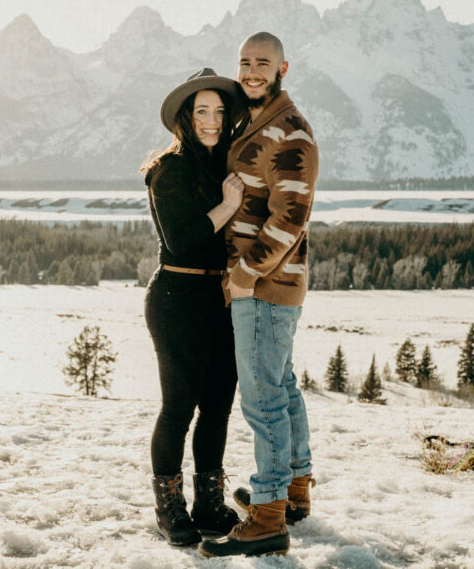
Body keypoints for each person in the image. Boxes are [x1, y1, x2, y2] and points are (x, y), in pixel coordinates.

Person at [200, 32, 319, 558]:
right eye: (245, 62)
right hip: (273, 285)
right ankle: (293, 491)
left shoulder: (289, 133)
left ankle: (267, 517)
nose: (251, 71)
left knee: (262, 397)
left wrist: (246, 273)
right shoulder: (258, 123)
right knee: (283, 386)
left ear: (282, 68)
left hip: (266, 285)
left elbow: (291, 215)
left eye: (262, 63)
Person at [140, 68, 246, 547]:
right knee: (179, 407)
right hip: (177, 298)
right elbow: (180, 242)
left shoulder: (224, 162)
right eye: (202, 110)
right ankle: (169, 507)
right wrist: (227, 206)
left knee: (219, 408)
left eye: (220, 111)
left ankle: (208, 503)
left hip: (220, 298)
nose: (212, 119)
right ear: (185, 117)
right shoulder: (169, 169)